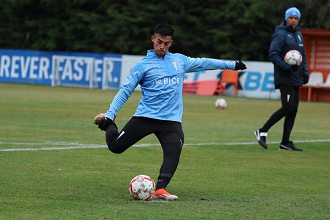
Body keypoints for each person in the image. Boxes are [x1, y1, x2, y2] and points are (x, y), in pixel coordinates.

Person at [94, 24, 247, 200]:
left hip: (171, 121)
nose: (162, 47)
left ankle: (160, 189)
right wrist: (110, 115)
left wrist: (231, 64)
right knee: (115, 147)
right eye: (159, 42)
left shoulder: (179, 61)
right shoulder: (142, 66)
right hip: (146, 116)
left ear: (171, 43)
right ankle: (109, 126)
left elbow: (204, 62)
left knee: (174, 149)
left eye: (166, 44)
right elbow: (125, 90)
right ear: (153, 39)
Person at [254, 7, 309, 151]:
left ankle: (285, 142)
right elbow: (273, 54)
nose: (293, 20)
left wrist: (305, 72)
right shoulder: (280, 34)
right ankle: (262, 131)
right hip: (284, 77)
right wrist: (286, 67)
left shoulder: (299, 35)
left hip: (296, 77)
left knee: (293, 110)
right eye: (291, 17)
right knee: (287, 107)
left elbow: (302, 56)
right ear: (286, 19)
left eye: (296, 18)